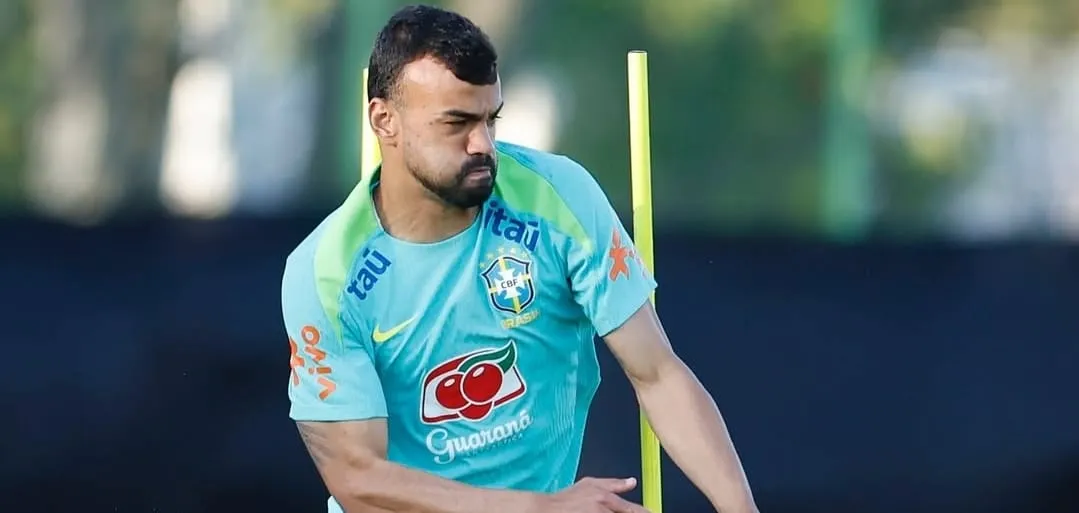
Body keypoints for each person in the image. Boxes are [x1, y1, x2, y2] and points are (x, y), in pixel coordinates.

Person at [281, 4, 758, 512]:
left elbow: (659, 375)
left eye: (491, 119)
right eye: (457, 123)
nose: (482, 144)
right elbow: (358, 480)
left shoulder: (558, 198)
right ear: (385, 121)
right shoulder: (324, 274)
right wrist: (540, 509)